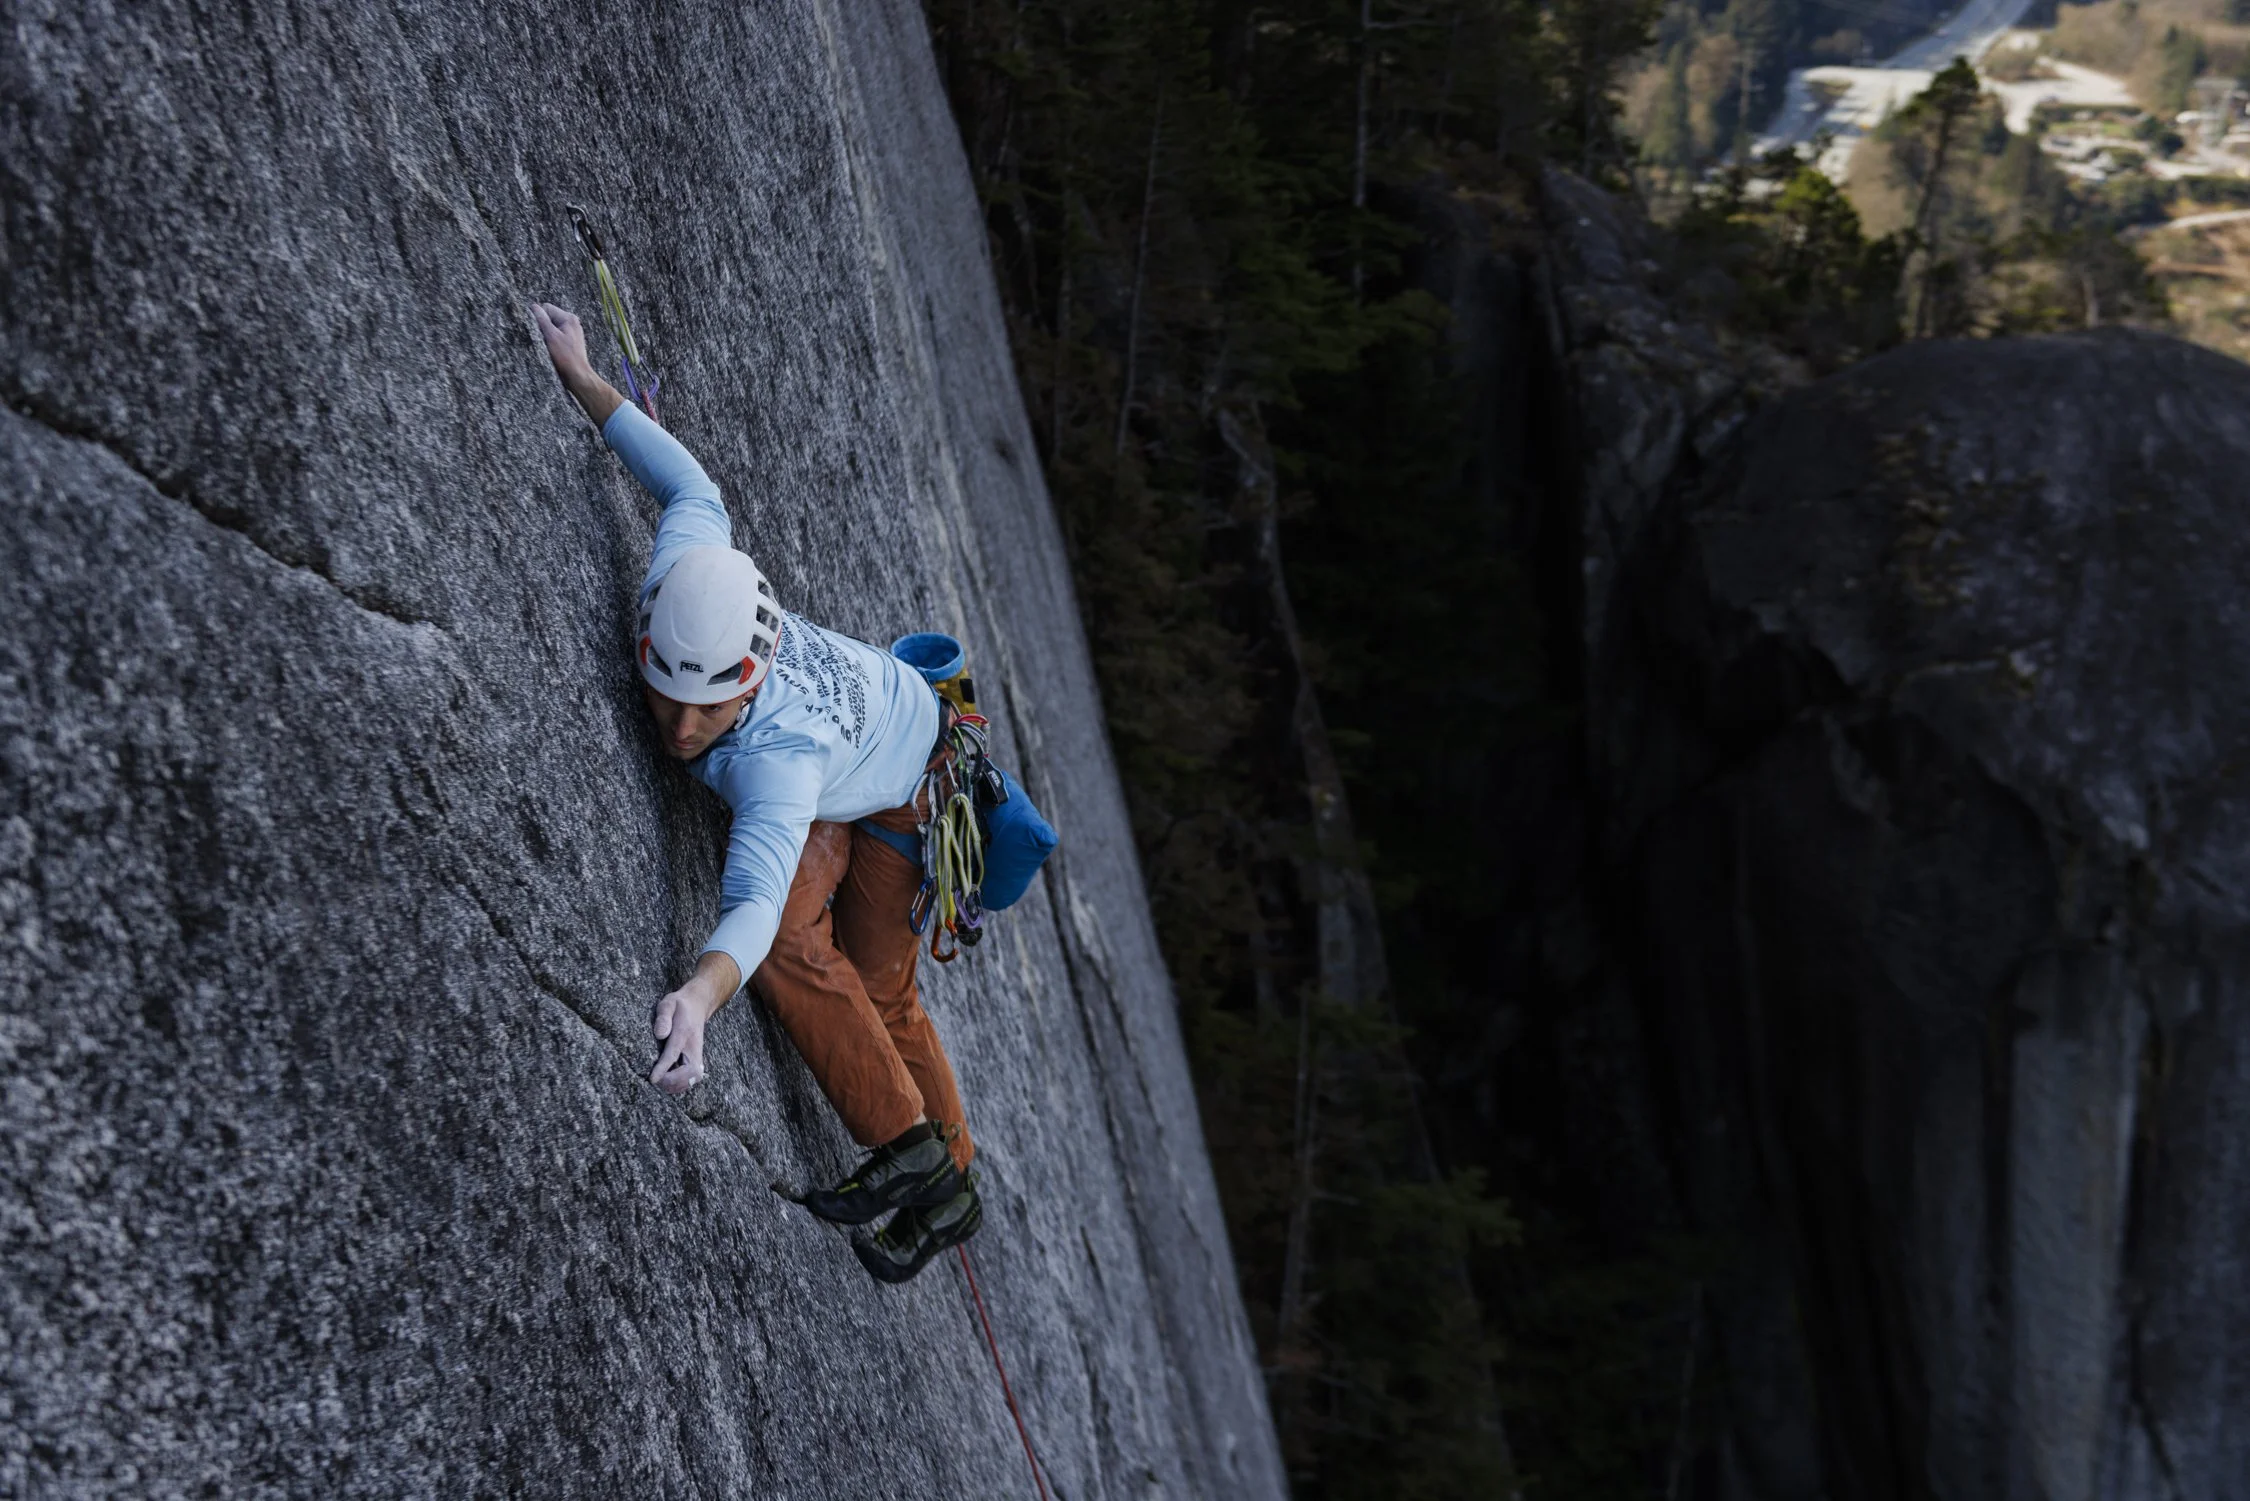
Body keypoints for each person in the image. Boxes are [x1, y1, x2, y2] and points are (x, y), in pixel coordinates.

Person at [530, 301, 981, 1284]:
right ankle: (934, 1171)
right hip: (863, 759)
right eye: (667, 699)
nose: (683, 730)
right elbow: (684, 480)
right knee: (808, 953)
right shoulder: (686, 566)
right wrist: (579, 372)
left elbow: (755, 896)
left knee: (877, 977)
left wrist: (698, 996)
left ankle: (940, 1174)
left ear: (746, 681)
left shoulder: (774, 762)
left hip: (914, 786)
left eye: (708, 710)